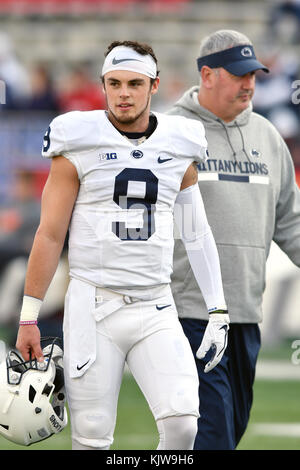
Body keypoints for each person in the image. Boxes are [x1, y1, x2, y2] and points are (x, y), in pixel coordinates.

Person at [15, 40, 229, 451]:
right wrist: (29, 317)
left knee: (184, 426)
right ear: (103, 85)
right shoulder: (77, 138)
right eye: (113, 83)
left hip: (156, 304)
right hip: (93, 304)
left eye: (134, 83)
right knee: (92, 438)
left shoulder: (180, 140)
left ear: (154, 86)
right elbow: (50, 233)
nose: (123, 93)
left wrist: (217, 309)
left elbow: (195, 230)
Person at [167, 29, 300, 450]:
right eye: (239, 74)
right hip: (190, 313)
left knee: (231, 429)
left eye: (254, 75)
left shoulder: (267, 137)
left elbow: (291, 221)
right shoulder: (167, 132)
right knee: (213, 436)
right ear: (206, 75)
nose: (249, 84)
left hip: (246, 315)